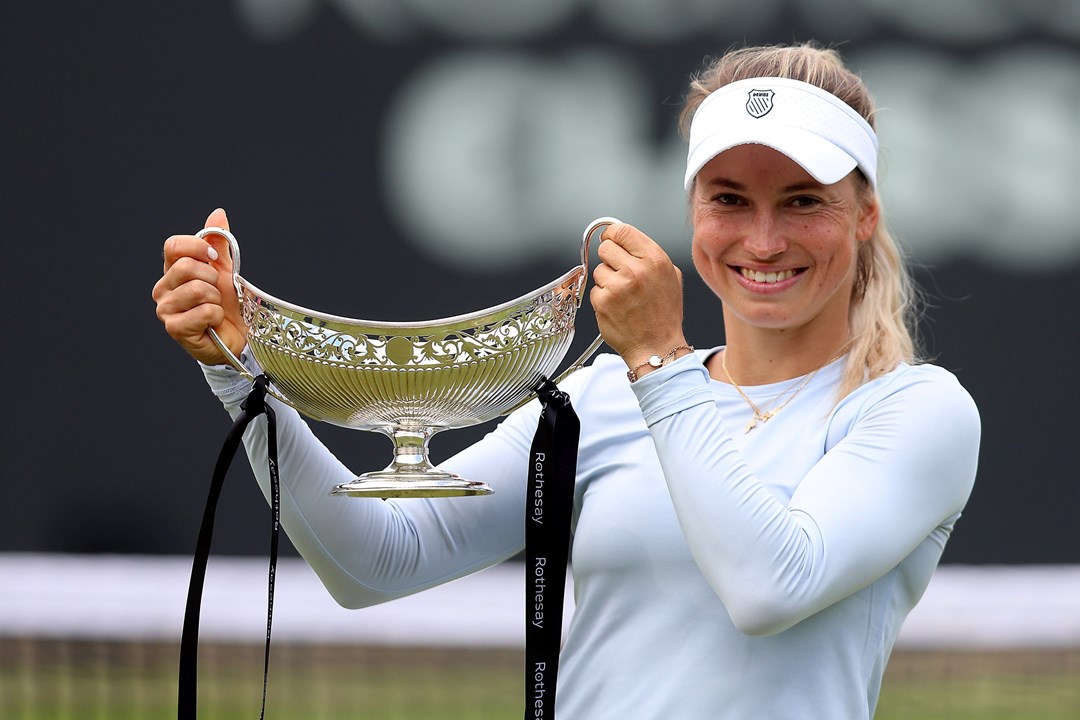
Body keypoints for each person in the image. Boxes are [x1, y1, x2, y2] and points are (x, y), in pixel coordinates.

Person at [153, 43, 980, 719]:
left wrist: (657, 358)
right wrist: (240, 371)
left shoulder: (917, 411)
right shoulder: (605, 398)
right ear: (693, 209)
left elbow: (772, 585)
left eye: (804, 202)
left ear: (865, 213)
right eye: (730, 198)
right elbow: (377, 564)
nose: (763, 240)